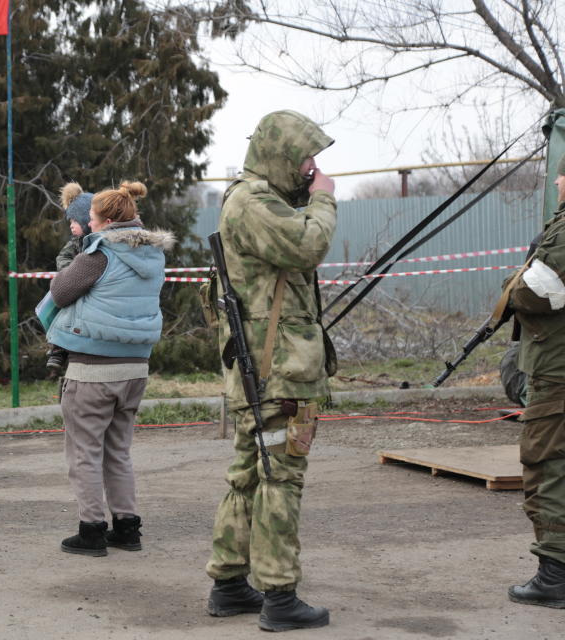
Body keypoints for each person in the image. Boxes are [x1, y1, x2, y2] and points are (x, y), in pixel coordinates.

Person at [205, 110, 337, 632]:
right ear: (281, 155)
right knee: (281, 476)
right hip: (277, 369)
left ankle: (230, 582)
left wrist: (308, 195)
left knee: (248, 477)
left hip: (267, 368)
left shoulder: (257, 198)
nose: (311, 168)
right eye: (305, 158)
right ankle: (279, 595)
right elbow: (308, 245)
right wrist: (325, 197)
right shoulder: (254, 202)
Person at [46, 180, 173, 556]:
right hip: (136, 367)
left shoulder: (98, 255)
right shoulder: (153, 256)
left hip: (92, 370)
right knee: (118, 450)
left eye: (91, 217)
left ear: (102, 220)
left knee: (85, 452)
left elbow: (60, 292)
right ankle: (127, 527)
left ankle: (92, 530)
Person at [505, 153, 565, 607]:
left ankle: (555, 575)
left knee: (547, 466)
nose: (558, 182)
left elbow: (534, 291)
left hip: (558, 372)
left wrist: (514, 279)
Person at [45, 182, 94, 372]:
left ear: (85, 221)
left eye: (74, 221)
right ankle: (57, 348)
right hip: (75, 282)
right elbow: (63, 257)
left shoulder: (98, 243)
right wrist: (70, 272)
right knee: (59, 305)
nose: (71, 226)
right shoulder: (75, 242)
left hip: (91, 288)